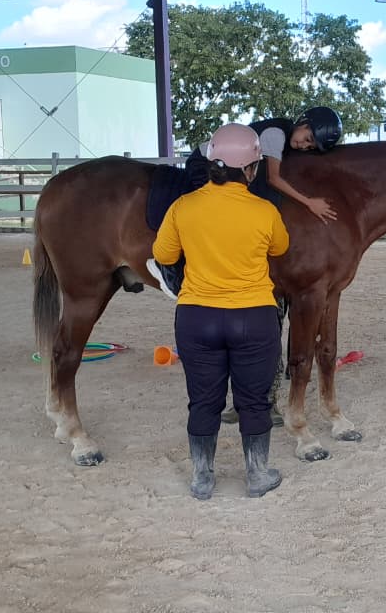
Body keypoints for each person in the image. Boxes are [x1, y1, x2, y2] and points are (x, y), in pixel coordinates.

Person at [152, 123, 289, 500]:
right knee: (254, 400)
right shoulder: (265, 210)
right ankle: (258, 474)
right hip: (254, 318)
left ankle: (202, 478)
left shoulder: (183, 206)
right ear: (251, 168)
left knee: (203, 399)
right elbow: (280, 248)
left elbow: (163, 255)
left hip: (197, 317)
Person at [152, 106, 343, 298]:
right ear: (303, 122)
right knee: (209, 209)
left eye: (310, 147)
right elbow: (273, 179)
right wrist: (309, 202)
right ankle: (168, 269)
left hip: (230, 167)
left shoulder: (288, 141)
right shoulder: (276, 134)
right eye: (308, 139)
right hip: (206, 162)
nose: (304, 146)